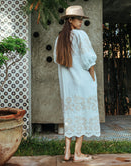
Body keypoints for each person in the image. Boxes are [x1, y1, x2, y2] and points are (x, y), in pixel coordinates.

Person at [53, 5, 101, 162]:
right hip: (83, 82)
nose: (81, 21)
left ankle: (67, 153)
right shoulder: (81, 35)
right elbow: (89, 59)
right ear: (70, 20)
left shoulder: (59, 39)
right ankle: (78, 154)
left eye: (81, 19)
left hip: (68, 86)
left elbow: (58, 61)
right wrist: (93, 79)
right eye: (78, 19)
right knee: (81, 116)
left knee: (70, 116)